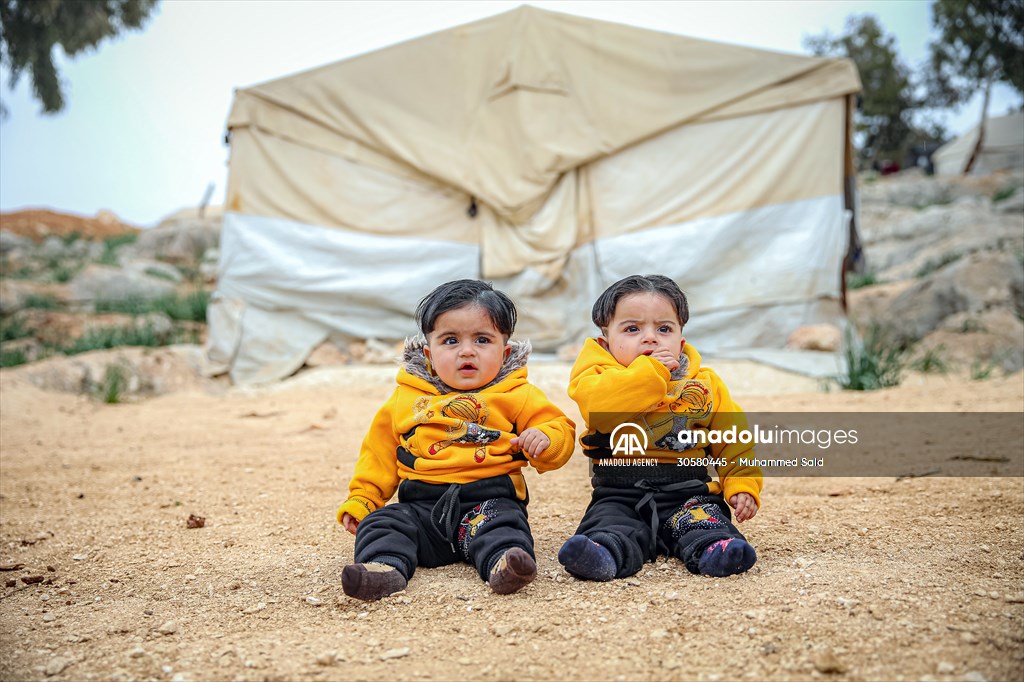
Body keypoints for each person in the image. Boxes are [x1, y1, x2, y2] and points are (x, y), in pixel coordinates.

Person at [338, 279, 576, 600]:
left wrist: (545, 438)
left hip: (488, 502)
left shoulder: (517, 395)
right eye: (450, 340)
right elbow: (379, 451)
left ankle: (503, 565)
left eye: (482, 339)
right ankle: (385, 568)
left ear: (504, 352)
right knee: (383, 523)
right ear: (429, 353)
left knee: (504, 527)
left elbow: (558, 426)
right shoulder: (406, 398)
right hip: (420, 509)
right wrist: (365, 498)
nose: (467, 351)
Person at [557, 274, 762, 582]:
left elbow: (732, 439)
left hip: (688, 491)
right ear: (606, 342)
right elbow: (603, 409)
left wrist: (742, 484)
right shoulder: (596, 377)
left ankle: (715, 550)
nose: (650, 338)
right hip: (619, 493)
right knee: (609, 526)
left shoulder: (703, 385)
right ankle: (603, 554)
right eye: (632, 329)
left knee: (703, 522)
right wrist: (652, 371)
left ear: (680, 341)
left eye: (664, 329)